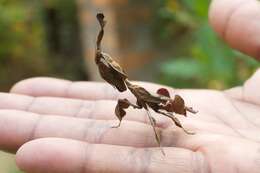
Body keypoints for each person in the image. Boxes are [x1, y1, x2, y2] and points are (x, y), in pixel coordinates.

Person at [0, 0, 260, 172]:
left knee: (158, 107)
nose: (104, 65)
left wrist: (182, 117)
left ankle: (179, 118)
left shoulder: (136, 92)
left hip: (157, 100)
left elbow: (159, 102)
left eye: (104, 64)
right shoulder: (126, 87)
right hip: (145, 96)